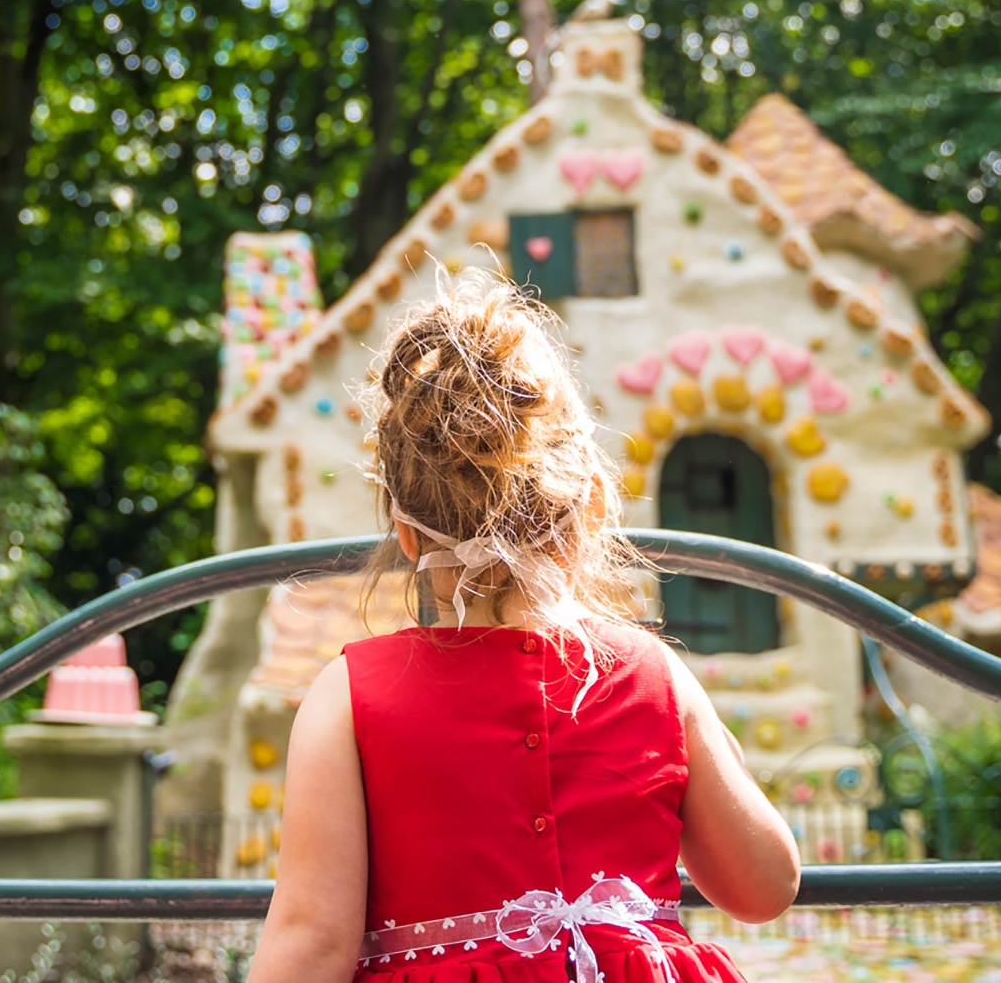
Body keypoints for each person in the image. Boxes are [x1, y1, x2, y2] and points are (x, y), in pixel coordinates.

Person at [247, 274, 801, 983]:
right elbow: (764, 887)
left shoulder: (349, 696)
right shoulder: (654, 675)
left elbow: (312, 941)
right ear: (589, 509)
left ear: (407, 537)